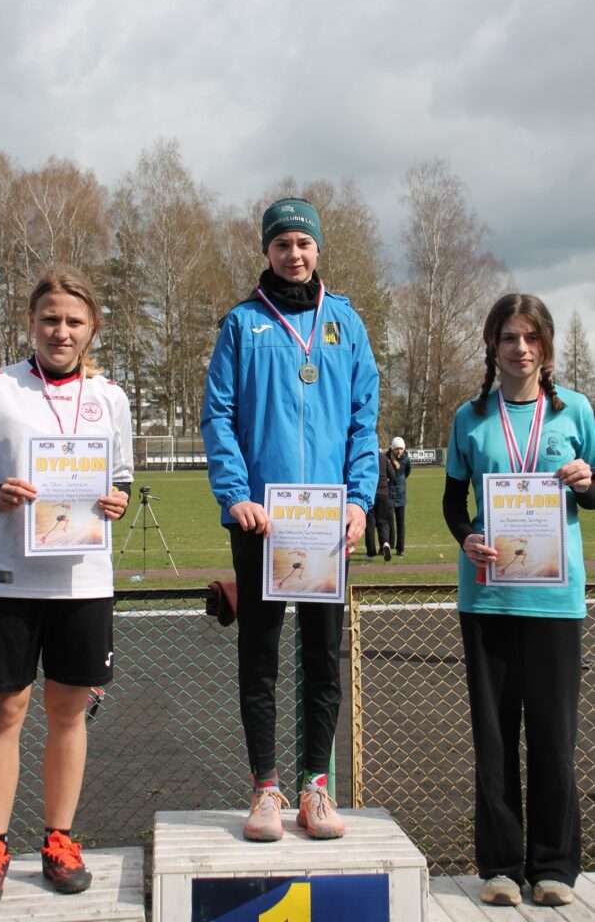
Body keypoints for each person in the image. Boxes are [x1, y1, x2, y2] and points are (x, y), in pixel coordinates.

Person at [0, 265, 134, 907]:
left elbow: (121, 479)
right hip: (9, 581)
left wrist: (117, 501)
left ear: (91, 328)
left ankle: (59, 840)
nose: (61, 331)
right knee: (5, 711)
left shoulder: (110, 397)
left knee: (68, 713)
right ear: (31, 321)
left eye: (74, 321)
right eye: (50, 318)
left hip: (84, 581)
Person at [201, 197, 379, 842]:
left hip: (327, 524)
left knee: (323, 660)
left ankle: (315, 788)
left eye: (303, 243)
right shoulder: (242, 324)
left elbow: (363, 420)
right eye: (282, 244)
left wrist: (359, 500)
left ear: (318, 249)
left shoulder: (346, 323)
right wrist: (235, 495)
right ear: (267, 251)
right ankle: (265, 790)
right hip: (262, 523)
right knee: (261, 658)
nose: (294, 254)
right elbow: (218, 415)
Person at [442, 293, 595, 909]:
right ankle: (501, 867)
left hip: (556, 601)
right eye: (509, 337)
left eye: (532, 338)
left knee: (554, 740)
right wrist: (466, 537)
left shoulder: (576, 410)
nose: (521, 349)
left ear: (546, 345)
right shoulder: (470, 417)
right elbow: (453, 502)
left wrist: (588, 482)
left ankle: (554, 866)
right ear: (493, 345)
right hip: (489, 597)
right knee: (495, 738)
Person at [365, 449, 396, 561]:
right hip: (384, 494)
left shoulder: (367, 457)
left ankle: (370, 553)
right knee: (383, 522)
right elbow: (393, 475)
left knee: (370, 524)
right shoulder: (384, 458)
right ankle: (385, 543)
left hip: (370, 493)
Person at [386, 437, 411, 555]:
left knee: (401, 522)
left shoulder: (407, 459)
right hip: (389, 494)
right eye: (397, 449)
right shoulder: (386, 458)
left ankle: (400, 549)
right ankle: (390, 545)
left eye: (401, 448)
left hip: (401, 495)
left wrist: (400, 482)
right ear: (392, 448)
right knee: (389, 521)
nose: (399, 451)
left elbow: (407, 473)